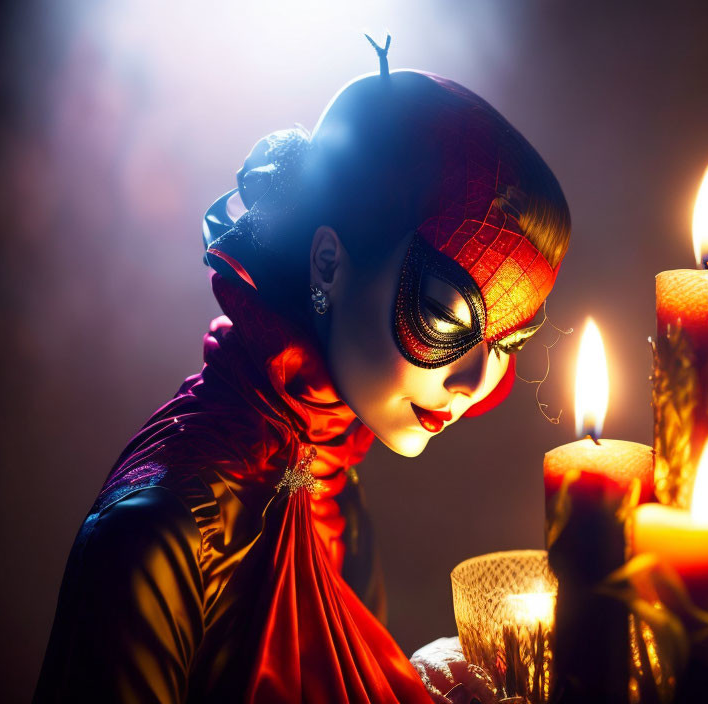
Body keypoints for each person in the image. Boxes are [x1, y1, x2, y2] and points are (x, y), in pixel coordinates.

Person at [34, 39, 570, 703]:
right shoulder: (156, 536)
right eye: (443, 314)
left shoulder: (331, 499)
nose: (472, 382)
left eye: (510, 342)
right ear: (327, 265)